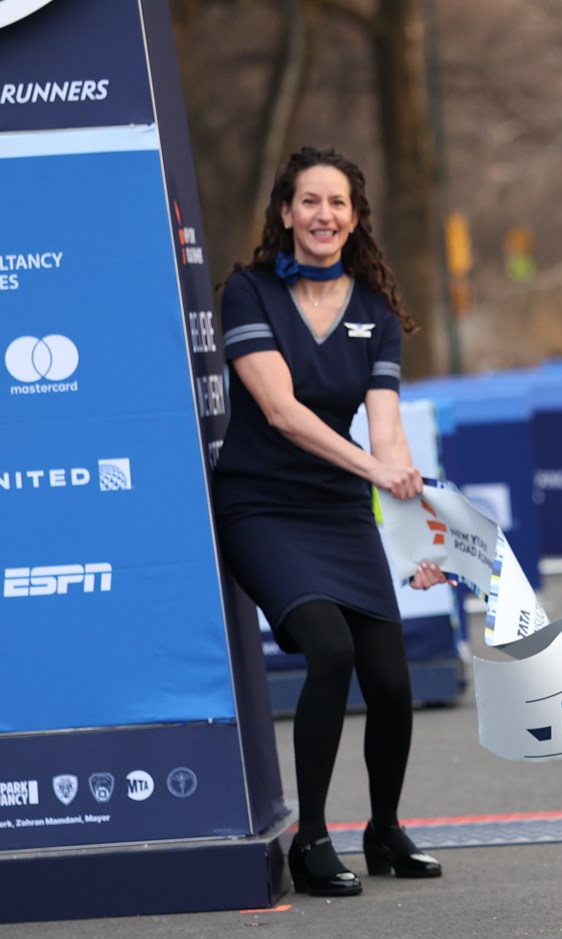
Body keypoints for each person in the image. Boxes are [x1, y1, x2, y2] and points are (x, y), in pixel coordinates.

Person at [213, 146, 447, 897]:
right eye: (309, 201)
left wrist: (416, 535)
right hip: (260, 505)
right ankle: (310, 839)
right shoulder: (248, 292)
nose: (323, 215)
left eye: (337, 202)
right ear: (286, 212)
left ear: (354, 217)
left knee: (392, 682)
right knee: (329, 648)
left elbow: (388, 434)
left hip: (340, 510)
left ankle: (384, 831)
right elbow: (281, 411)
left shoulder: (375, 313)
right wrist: (374, 470)